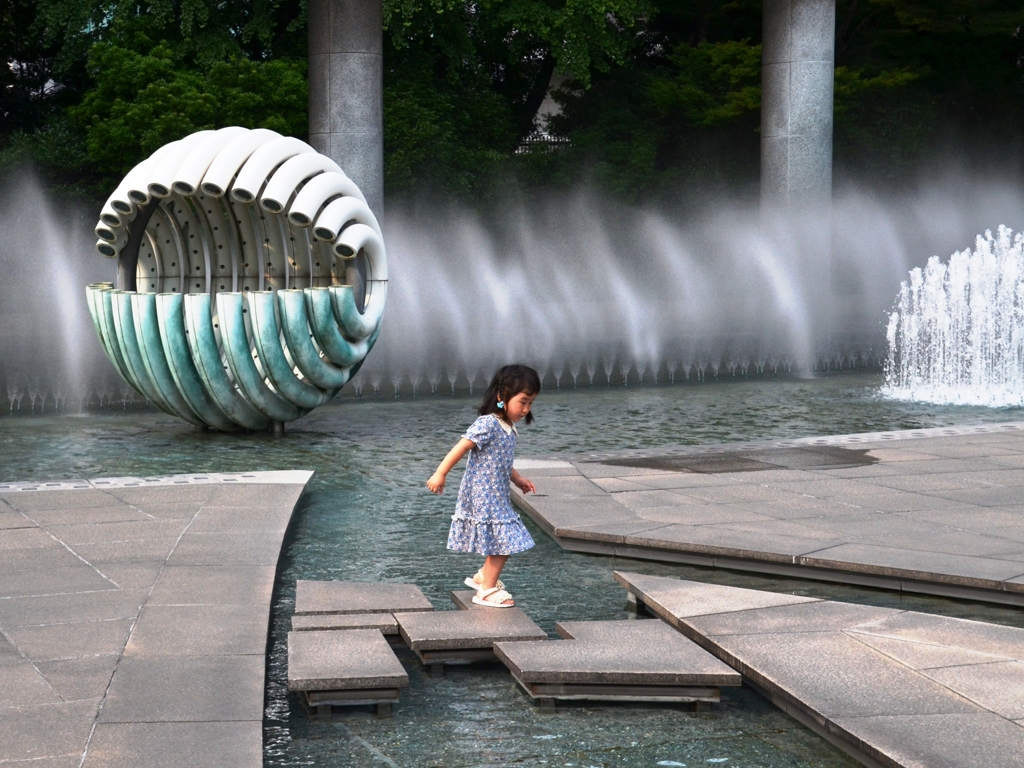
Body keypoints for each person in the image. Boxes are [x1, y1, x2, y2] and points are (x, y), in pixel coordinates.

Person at [426, 364, 541, 607]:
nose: (526, 409)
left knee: (504, 539)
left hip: (496, 496)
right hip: (482, 495)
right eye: (523, 402)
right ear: (502, 397)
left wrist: (518, 479)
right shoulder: (488, 423)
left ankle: (483, 577)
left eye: (530, 403)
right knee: (506, 539)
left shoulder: (507, 429)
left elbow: (502, 462)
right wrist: (440, 473)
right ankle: (486, 590)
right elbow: (462, 446)